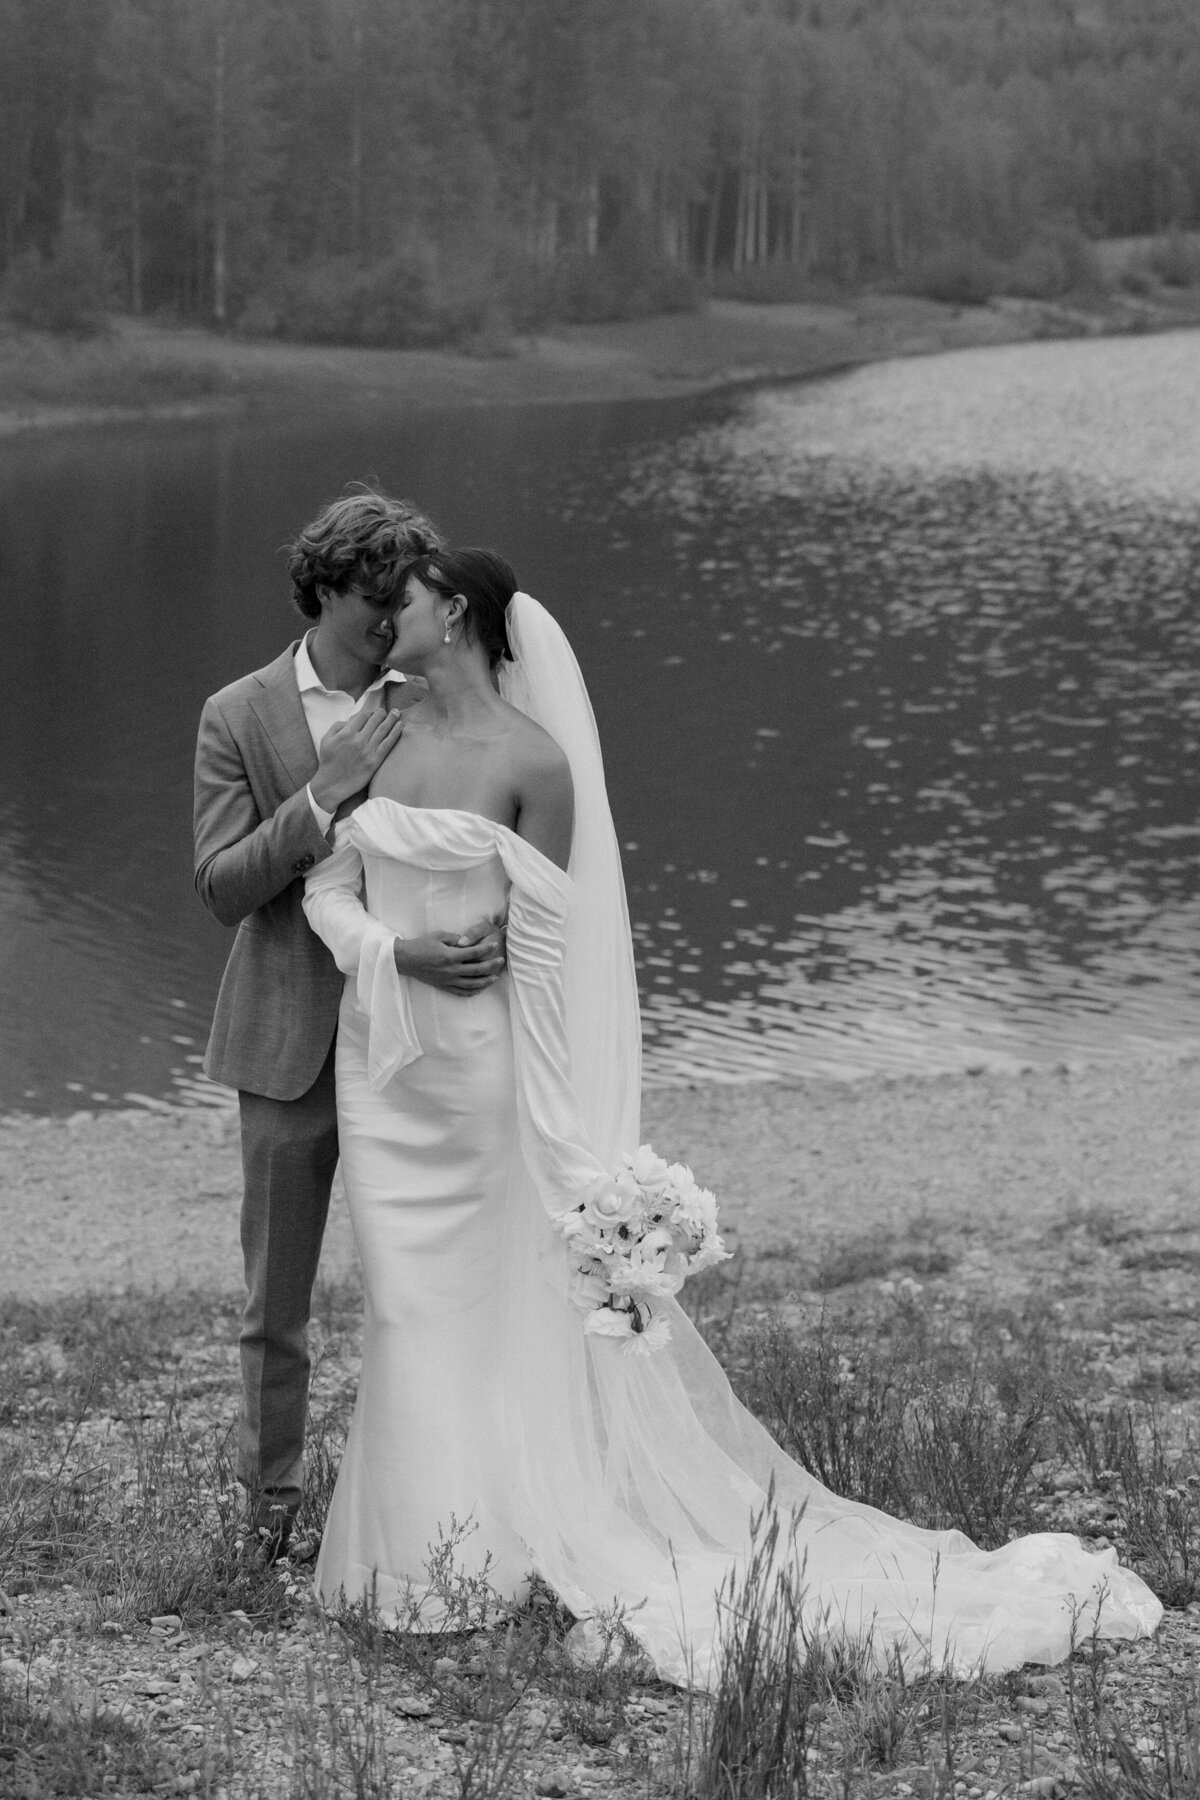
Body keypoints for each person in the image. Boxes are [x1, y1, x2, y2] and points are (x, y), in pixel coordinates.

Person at [300, 548, 1162, 1687]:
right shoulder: (374, 729)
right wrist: (389, 951)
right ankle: (406, 1562)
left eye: (399, 599)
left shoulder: (535, 764)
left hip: (484, 1072)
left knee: (478, 1299)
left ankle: (479, 1559)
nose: (379, 617)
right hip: (386, 1066)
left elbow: (552, 964)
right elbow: (325, 884)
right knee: (405, 1302)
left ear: (454, 612)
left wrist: (573, 1143)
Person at [193, 493, 506, 1561]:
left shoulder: (441, 694)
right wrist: (317, 796)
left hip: (423, 1040)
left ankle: (444, 1507)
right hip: (289, 1045)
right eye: (376, 600)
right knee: (275, 1301)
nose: (392, 620)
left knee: (428, 1285)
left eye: (405, 601)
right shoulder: (237, 713)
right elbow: (224, 889)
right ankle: (270, 1513)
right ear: (323, 590)